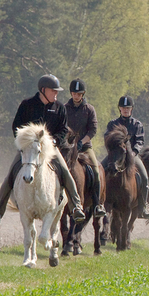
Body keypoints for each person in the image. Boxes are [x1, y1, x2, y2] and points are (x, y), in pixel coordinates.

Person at [0, 74, 85, 228]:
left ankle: (76, 207)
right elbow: (17, 126)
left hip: (50, 149)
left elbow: (63, 130)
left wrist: (55, 141)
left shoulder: (60, 108)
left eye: (57, 91)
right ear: (43, 90)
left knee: (66, 172)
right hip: (29, 150)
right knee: (11, 174)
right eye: (53, 91)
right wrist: (24, 143)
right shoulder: (27, 104)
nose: (56, 94)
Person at [64, 79, 106, 218]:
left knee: (95, 169)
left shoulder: (89, 109)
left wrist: (82, 142)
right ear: (71, 93)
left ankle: (97, 204)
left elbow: (93, 130)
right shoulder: (64, 108)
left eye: (79, 94)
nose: (76, 96)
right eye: (74, 93)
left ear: (83, 94)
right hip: (68, 147)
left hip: (84, 147)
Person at [105, 95, 149, 218]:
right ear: (119, 108)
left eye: (128, 108)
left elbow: (140, 141)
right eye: (123, 107)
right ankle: (98, 204)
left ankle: (143, 206)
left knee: (145, 177)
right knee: (100, 170)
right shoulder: (112, 124)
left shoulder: (137, 124)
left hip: (132, 155)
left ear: (132, 109)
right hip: (115, 155)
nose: (126, 110)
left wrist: (133, 152)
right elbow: (107, 138)